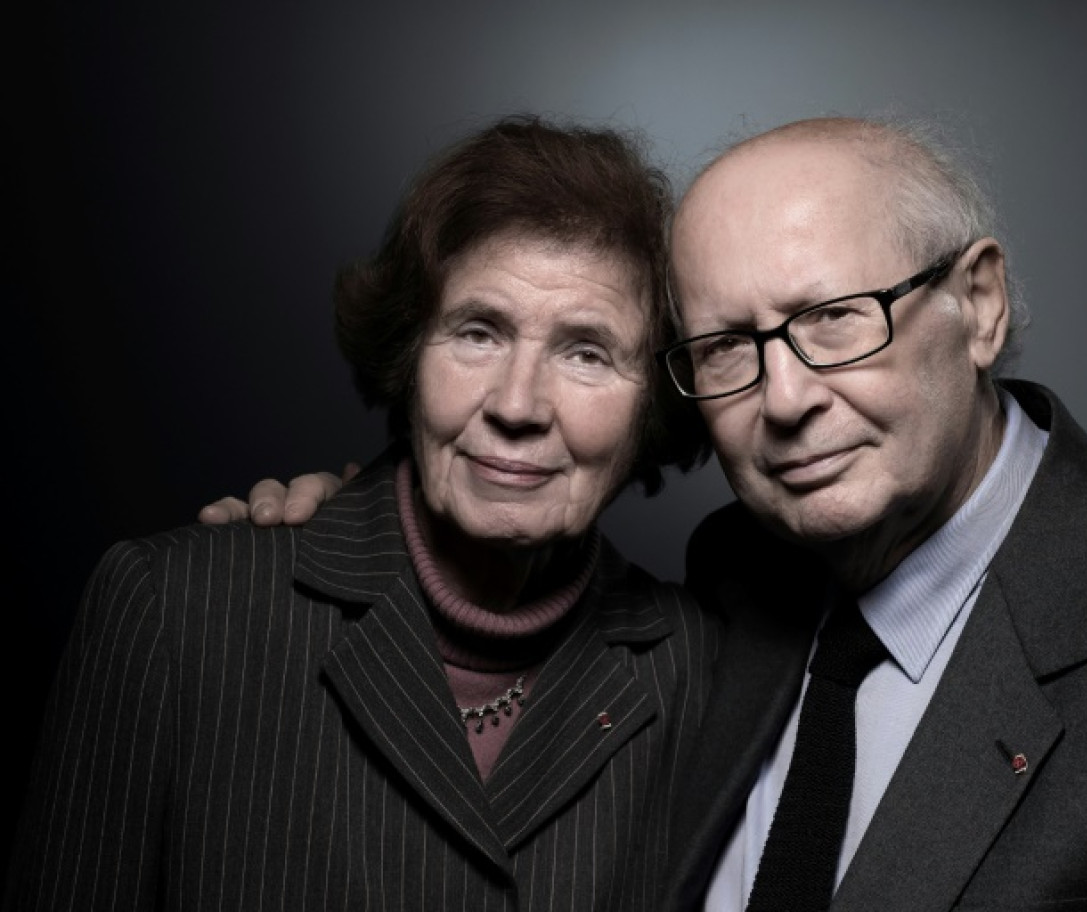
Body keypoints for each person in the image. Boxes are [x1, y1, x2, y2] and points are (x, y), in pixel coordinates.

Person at [201, 117, 1087, 909]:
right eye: (729, 348)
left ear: (980, 303)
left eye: (833, 320)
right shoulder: (731, 581)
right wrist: (366, 520)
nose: (789, 399)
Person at [4, 116, 716, 911]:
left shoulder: (703, 671)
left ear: (655, 401)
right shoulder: (176, 612)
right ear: (409, 356)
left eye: (586, 352)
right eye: (477, 333)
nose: (518, 406)